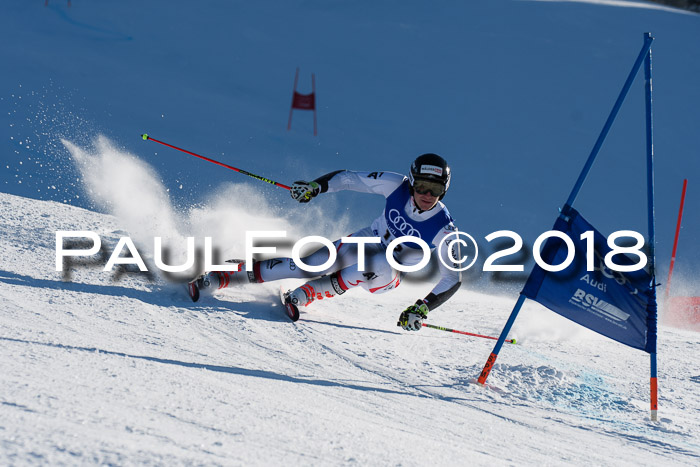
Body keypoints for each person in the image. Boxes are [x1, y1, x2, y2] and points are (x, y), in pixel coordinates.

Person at [190, 153, 462, 331]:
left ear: (444, 191)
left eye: (436, 190)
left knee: (381, 261)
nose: (427, 194)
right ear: (412, 182)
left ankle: (310, 293)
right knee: (309, 264)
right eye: (422, 186)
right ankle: (224, 277)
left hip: (388, 274)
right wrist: (315, 187)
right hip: (367, 240)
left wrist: (422, 307)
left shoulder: (444, 228)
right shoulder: (396, 185)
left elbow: (453, 278)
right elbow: (349, 178)